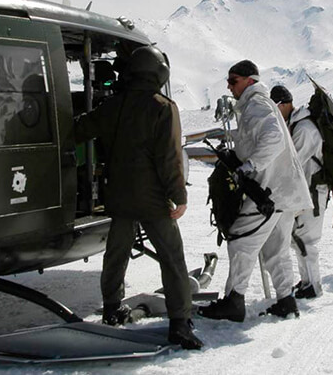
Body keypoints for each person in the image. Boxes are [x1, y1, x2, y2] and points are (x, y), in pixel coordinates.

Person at [73, 45, 202, 350]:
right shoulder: (163, 107)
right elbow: (169, 158)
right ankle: (180, 324)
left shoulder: (112, 105)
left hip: (118, 196)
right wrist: (179, 194)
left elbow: (79, 130)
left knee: (116, 254)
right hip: (153, 199)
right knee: (172, 258)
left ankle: (111, 309)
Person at [198, 61, 312, 322]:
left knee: (240, 239)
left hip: (267, 191)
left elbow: (274, 138)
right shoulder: (259, 103)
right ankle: (286, 301)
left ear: (250, 81)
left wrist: (250, 165)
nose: (229, 86)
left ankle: (234, 301)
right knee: (276, 249)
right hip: (282, 192)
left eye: (234, 80)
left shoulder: (256, 104)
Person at [270, 84, 326, 297]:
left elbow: (295, 162)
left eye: (276, 107)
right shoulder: (295, 125)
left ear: (285, 104)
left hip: (313, 190)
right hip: (305, 190)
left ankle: (313, 286)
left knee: (307, 239)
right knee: (298, 238)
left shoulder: (304, 129)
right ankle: (307, 282)